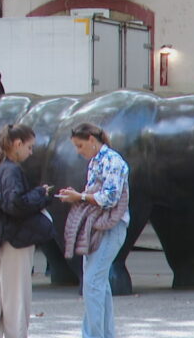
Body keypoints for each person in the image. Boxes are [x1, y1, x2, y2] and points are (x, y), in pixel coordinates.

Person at [0, 124, 56, 338]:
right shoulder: (11, 170)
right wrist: (41, 194)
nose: (30, 152)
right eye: (29, 147)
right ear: (17, 144)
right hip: (15, 239)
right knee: (16, 296)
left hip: (4, 238)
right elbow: (15, 204)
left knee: (0, 293)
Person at [59, 123, 130, 338]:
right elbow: (96, 195)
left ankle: (93, 335)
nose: (78, 151)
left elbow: (110, 198)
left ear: (91, 139)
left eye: (80, 145)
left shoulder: (113, 160)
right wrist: (78, 196)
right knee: (99, 283)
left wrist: (79, 196)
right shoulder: (96, 161)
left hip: (110, 226)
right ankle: (104, 334)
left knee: (92, 283)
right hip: (98, 226)